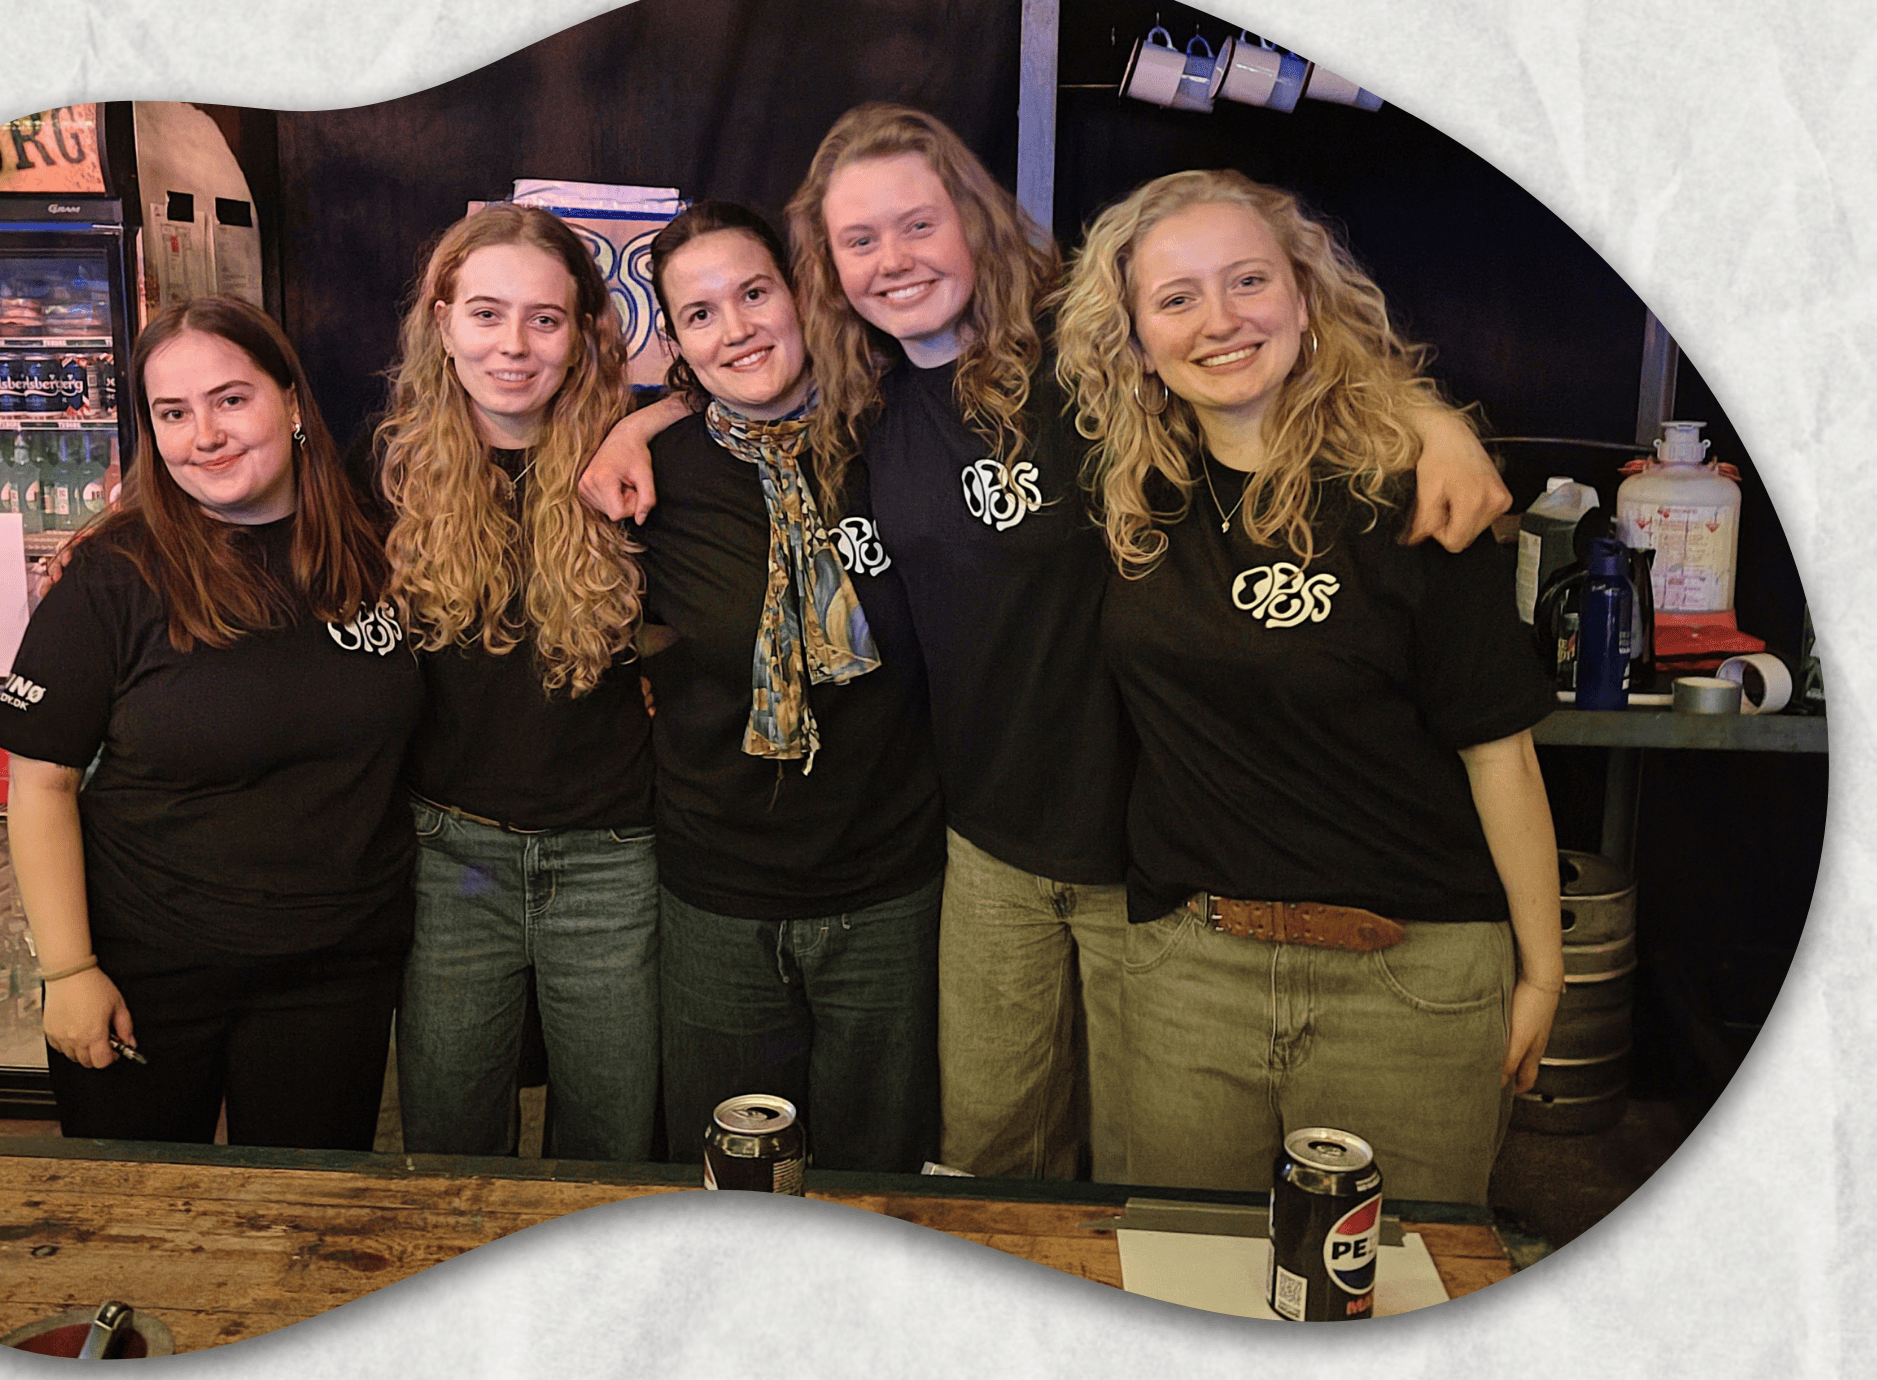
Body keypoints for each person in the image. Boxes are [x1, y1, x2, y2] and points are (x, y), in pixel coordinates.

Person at [582, 104, 1513, 1183]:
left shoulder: (1091, 355)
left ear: (973, 217)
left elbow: (1259, 363)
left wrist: (1428, 423)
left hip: (1148, 850)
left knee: (1140, 1178)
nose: (894, 259)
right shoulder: (869, 396)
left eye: (917, 223)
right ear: (829, 271)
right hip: (984, 849)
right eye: (860, 239)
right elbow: (749, 394)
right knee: (988, 1165)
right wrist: (637, 421)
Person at [1055, 169, 1563, 1203]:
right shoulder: (1127, 493)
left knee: (1401, 1278)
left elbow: (1500, 756)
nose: (1219, 319)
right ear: (1135, 339)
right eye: (1176, 297)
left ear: (1304, 298)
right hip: (1189, 975)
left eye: (1247, 280)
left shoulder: (1411, 493)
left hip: (1410, 978)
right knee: (1185, 1274)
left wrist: (1543, 973)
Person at [0, 296, 420, 1151]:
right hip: (147, 970)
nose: (206, 435)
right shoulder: (111, 577)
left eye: (231, 399)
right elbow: (39, 785)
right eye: (173, 413)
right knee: (139, 1212)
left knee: (302, 1214)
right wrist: (68, 970)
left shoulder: (381, 547)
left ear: (290, 400)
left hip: (335, 969)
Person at [635, 201, 945, 1172]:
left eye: (754, 293)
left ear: (801, 292)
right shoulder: (651, 474)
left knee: (878, 1184)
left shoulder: (897, 432)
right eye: (700, 314)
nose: (735, 329)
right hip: (717, 899)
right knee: (728, 1186)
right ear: (676, 344)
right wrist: (638, 424)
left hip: (887, 890)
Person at [372, 204, 658, 1163]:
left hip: (611, 855)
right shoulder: (391, 472)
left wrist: (650, 416)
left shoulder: (629, 467)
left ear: (583, 334)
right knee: (449, 1143)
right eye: (486, 314)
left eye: (544, 318)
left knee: (612, 1144)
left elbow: (742, 398)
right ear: (443, 323)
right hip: (453, 856)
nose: (513, 345)